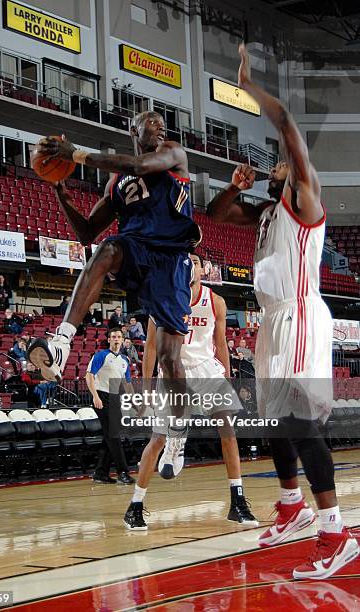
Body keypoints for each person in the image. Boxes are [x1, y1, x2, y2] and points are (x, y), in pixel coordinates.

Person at [206, 43, 359, 579]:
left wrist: (249, 87)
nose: (275, 164)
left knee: (299, 421)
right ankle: (292, 506)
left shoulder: (304, 200)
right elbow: (217, 214)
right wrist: (233, 187)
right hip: (272, 323)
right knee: (274, 419)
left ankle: (336, 533)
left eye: (281, 162)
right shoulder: (269, 212)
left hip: (298, 316)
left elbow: (289, 122)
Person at [27, 110, 201, 440]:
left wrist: (76, 154)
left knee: (168, 360)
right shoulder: (116, 183)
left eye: (163, 123)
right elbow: (87, 233)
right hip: (136, 252)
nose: (161, 127)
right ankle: (62, 341)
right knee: (106, 249)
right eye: (152, 123)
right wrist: (61, 195)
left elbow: (138, 166)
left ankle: (178, 430)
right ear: (133, 129)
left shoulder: (174, 153)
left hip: (170, 260)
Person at [124, 253, 258, 530]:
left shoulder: (215, 301)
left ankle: (238, 501)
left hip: (206, 368)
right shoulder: (162, 298)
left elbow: (220, 344)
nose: (189, 265)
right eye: (184, 260)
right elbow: (150, 347)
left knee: (228, 431)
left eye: (195, 261)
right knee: (157, 440)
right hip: (174, 370)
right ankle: (135, 505)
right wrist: (147, 387)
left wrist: (228, 377)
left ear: (203, 269)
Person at [86, 328, 136, 485]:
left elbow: (127, 384)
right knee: (113, 436)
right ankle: (123, 472)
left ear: (122, 340)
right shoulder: (101, 355)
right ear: (109, 340)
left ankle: (101, 472)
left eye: (119, 337)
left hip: (115, 398)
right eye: (113, 337)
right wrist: (95, 396)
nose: (116, 339)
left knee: (110, 437)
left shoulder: (124, 360)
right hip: (101, 396)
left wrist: (135, 402)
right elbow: (89, 375)